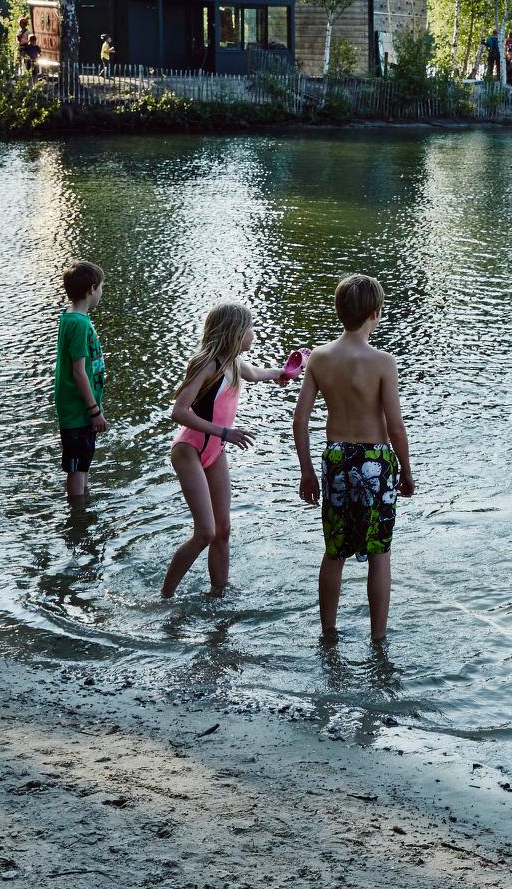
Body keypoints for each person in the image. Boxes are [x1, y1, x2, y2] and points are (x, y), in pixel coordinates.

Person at [295, 274, 417, 643]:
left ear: (339, 311)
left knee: (334, 551)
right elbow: (395, 426)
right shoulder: (383, 362)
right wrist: (407, 472)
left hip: (334, 459)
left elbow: (300, 421)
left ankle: (328, 632)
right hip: (375, 462)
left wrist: (306, 473)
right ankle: (378, 638)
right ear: (375, 314)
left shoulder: (319, 357)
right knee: (379, 552)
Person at [160, 302, 293, 599]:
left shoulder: (233, 362)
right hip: (189, 449)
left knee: (223, 529)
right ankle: (164, 597)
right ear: (235, 332)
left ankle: (219, 594)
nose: (253, 333)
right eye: (250, 328)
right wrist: (224, 433)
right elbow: (179, 412)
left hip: (216, 450)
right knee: (205, 531)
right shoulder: (207, 364)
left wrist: (282, 373)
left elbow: (256, 373)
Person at [54, 261, 108, 503]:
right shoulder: (78, 324)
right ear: (92, 289)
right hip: (79, 409)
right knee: (77, 465)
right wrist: (94, 410)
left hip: (83, 408)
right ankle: (77, 515)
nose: (101, 293)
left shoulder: (72, 318)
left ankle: (83, 508)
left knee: (83, 461)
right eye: (101, 288)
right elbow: (78, 372)